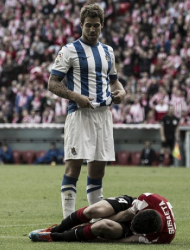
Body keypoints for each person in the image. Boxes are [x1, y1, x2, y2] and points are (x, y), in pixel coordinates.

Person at [47, 4, 126, 218]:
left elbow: (115, 82)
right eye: (88, 25)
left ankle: (97, 221)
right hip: (79, 115)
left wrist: (122, 93)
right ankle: (68, 221)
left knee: (98, 172)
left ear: (102, 26)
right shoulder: (69, 50)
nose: (92, 30)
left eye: (96, 26)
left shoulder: (108, 51)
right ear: (81, 25)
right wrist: (75, 96)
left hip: (103, 116)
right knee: (73, 168)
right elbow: (52, 83)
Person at [28, 193, 176, 244]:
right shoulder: (149, 200)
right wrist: (89, 223)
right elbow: (124, 215)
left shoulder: (162, 237)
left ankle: (53, 237)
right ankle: (56, 229)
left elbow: (128, 240)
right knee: (94, 210)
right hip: (128, 208)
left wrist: (94, 236)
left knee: (103, 226)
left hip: (130, 228)